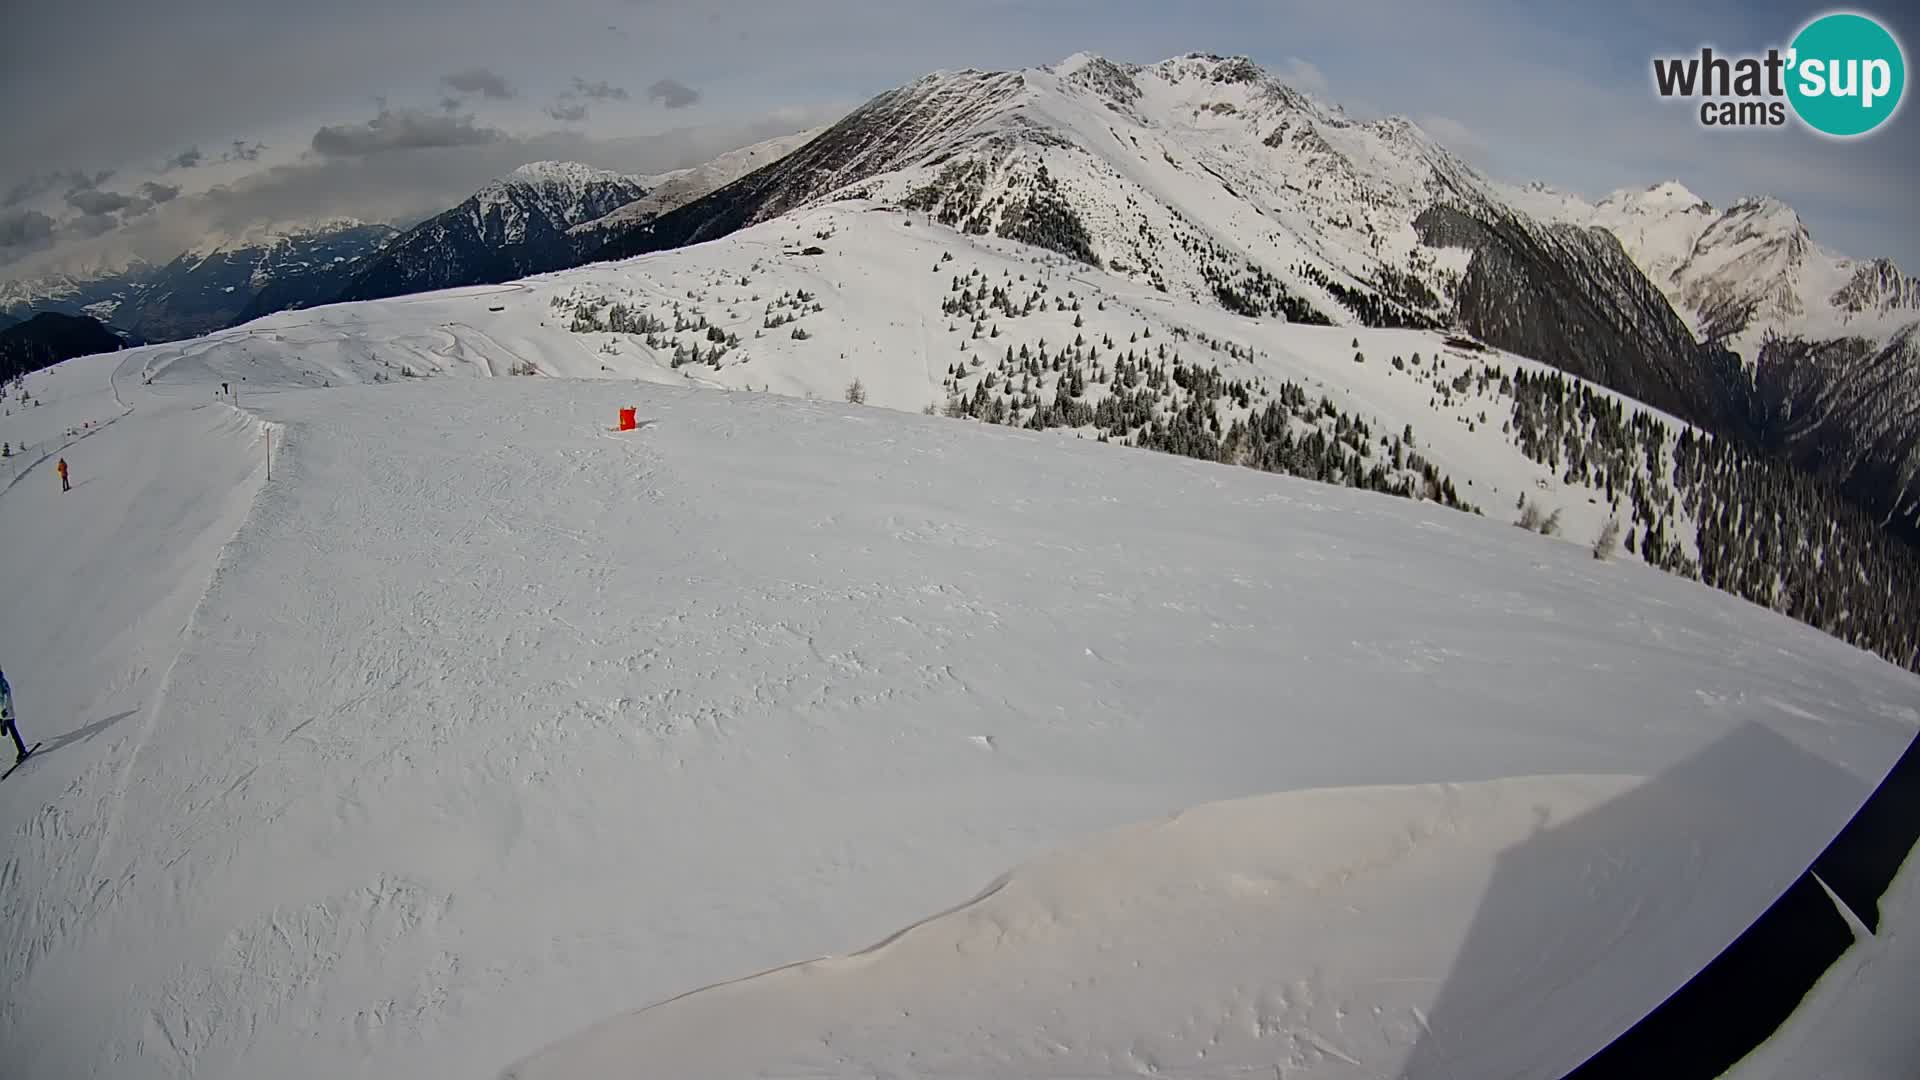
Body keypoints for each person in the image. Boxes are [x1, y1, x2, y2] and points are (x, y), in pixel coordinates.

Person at [0, 668, 26, 765]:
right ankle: (3, 727)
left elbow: (7, 696)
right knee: (3, 732)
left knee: (13, 732)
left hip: (7, 713)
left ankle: (22, 750)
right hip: (1, 714)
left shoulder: (2, 682)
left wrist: (4, 709)